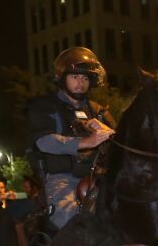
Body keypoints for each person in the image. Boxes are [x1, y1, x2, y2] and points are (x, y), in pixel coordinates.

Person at [26, 46, 116, 230]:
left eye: (85, 78)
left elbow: (121, 146)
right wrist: (87, 141)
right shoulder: (44, 106)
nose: (80, 83)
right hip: (63, 179)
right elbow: (44, 141)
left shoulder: (99, 110)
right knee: (70, 220)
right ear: (62, 78)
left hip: (99, 179)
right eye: (74, 77)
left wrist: (109, 132)